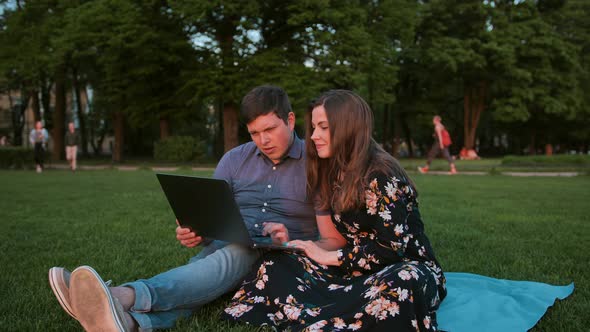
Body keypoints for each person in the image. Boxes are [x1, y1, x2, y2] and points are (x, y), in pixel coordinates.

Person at [48, 85, 320, 332]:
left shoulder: (317, 161)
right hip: (224, 250)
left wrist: (292, 239)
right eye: (254, 133)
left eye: (270, 129)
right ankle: (128, 323)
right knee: (203, 280)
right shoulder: (235, 158)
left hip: (282, 259)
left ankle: (120, 296)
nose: (263, 140)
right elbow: (214, 216)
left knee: (237, 254)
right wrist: (198, 233)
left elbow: (335, 234)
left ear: (291, 120)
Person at [223, 90, 447, 331]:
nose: (314, 136)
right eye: (314, 127)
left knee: (403, 282)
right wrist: (292, 244)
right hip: (356, 268)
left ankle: (328, 312)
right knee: (276, 263)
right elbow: (335, 240)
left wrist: (333, 258)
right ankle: (341, 309)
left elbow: (392, 250)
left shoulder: (382, 174)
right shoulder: (331, 170)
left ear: (347, 128)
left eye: (323, 127)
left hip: (402, 267)